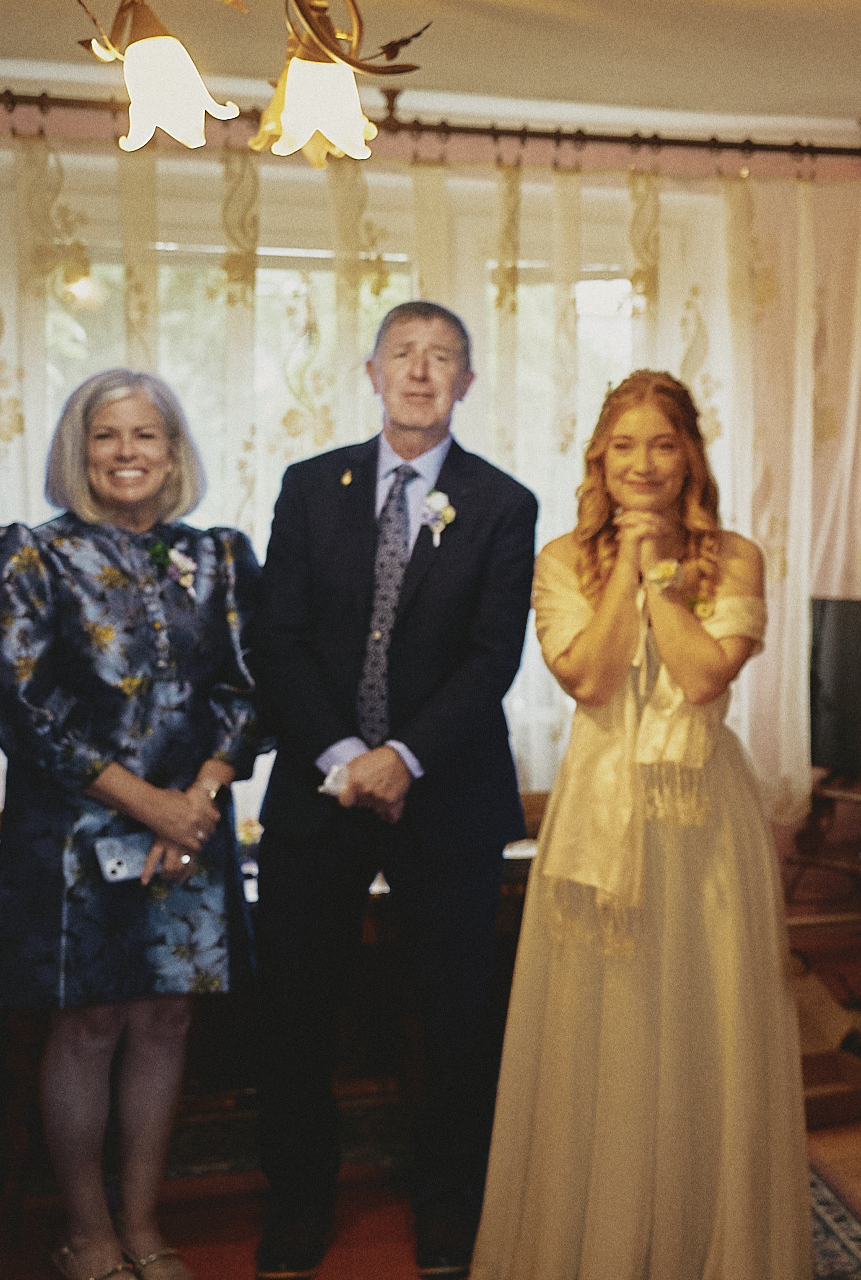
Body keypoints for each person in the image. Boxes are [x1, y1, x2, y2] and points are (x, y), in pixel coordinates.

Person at [471, 371, 810, 1280]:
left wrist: (661, 575)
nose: (643, 463)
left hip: (705, 820)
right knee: (604, 1027)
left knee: (707, 1025)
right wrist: (623, 564)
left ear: (689, 455)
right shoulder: (560, 560)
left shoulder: (735, 557)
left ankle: (702, 1242)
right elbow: (589, 678)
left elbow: (701, 678)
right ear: (600, 457)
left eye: (663, 444)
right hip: (597, 812)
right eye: (624, 446)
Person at [253, 302, 537, 1280]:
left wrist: (404, 756)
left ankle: (447, 1205)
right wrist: (346, 756)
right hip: (317, 796)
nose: (421, 371)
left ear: (467, 383)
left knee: (456, 1016)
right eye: (403, 354)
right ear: (371, 373)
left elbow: (492, 656)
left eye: (442, 357)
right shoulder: (308, 487)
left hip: (447, 797)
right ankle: (299, 1201)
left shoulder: (503, 503)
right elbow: (278, 638)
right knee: (297, 1008)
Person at [0, 370, 264, 1280]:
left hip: (193, 825)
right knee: (92, 1025)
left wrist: (199, 803)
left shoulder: (219, 555)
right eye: (106, 435)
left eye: (146, 434)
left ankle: (143, 1225)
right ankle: (87, 1233)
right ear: (80, 451)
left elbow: (247, 691)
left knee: (166, 1019)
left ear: (173, 451)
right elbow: (25, 710)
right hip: (75, 833)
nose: (126, 452)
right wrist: (152, 807)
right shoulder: (30, 556)